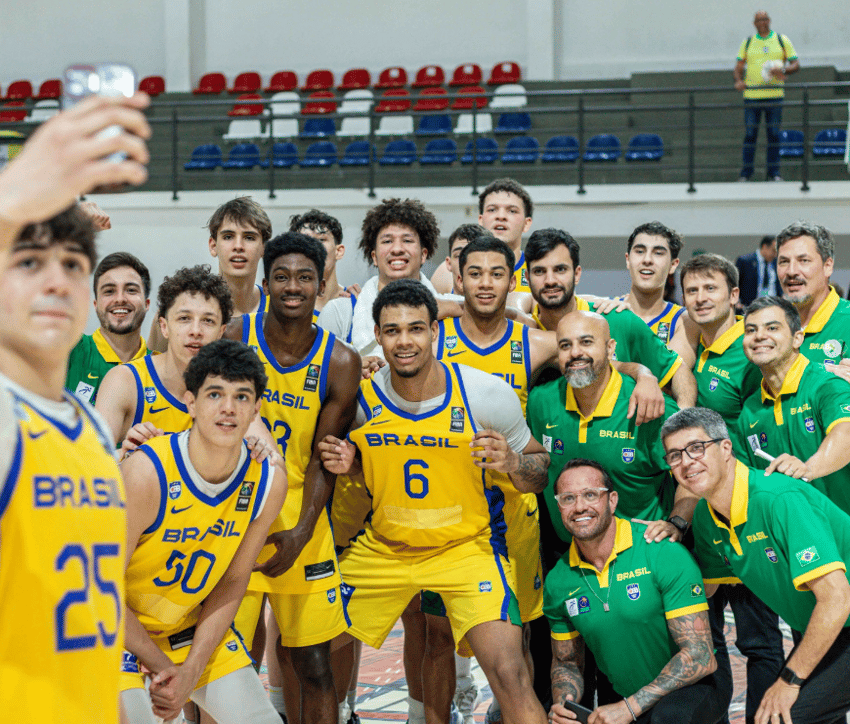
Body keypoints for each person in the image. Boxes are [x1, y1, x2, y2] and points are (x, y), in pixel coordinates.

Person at [320, 279, 551, 724]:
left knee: (509, 672)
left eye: (416, 329)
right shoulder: (362, 397)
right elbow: (359, 462)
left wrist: (512, 461)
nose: (404, 341)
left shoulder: (485, 393)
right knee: (306, 651)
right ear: (377, 335)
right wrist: (351, 463)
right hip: (386, 548)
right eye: (392, 331)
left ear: (434, 333)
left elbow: (538, 475)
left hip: (467, 551)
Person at [0, 90, 152, 722]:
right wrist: (13, 197)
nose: (57, 279)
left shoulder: (89, 423)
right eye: (29, 262)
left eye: (70, 261)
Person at [224, 232, 361, 724]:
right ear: (265, 282)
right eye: (281, 276)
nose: (293, 286)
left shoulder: (341, 361)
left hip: (303, 518)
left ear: (321, 283)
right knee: (225, 663)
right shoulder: (236, 335)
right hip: (232, 519)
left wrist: (303, 532)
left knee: (314, 664)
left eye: (305, 276)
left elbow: (324, 458)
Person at [119, 340, 287, 724]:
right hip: (117, 636)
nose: (229, 408)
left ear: (257, 408)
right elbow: (101, 588)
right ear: (190, 403)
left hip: (188, 630)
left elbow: (233, 580)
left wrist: (191, 669)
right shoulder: (146, 474)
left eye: (242, 396)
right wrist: (165, 669)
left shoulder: (268, 480)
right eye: (215, 394)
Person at [661, 406, 850, 724]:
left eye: (696, 448)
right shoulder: (707, 516)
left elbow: (837, 598)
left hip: (839, 617)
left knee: (779, 716)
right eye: (675, 455)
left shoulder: (778, 499)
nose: (686, 462)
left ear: (725, 448)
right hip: (821, 627)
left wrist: (789, 681)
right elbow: (706, 589)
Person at [679, 255, 785, 724]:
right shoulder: (695, 348)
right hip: (702, 513)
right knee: (706, 637)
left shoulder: (747, 351)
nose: (700, 298)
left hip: (744, 512)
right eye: (692, 290)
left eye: (711, 289)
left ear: (734, 296)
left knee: (758, 637)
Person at [544, 458, 727, 724]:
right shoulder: (558, 581)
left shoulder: (660, 550)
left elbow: (700, 656)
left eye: (590, 495)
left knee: (666, 718)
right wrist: (564, 705)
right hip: (625, 694)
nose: (580, 506)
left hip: (697, 684)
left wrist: (629, 708)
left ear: (613, 500)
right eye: (568, 498)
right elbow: (567, 662)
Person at [525, 228, 697, 406]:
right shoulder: (520, 330)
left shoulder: (615, 318)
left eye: (560, 269)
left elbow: (679, 371)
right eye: (539, 271)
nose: (550, 280)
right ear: (527, 278)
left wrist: (683, 424)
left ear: (577, 274)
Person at [96, 264, 232, 452]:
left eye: (208, 321)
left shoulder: (231, 386)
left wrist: (259, 449)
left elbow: (273, 465)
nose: (195, 331)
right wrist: (125, 457)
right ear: (164, 326)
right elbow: (88, 466)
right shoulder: (125, 381)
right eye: (184, 318)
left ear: (221, 332)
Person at [738, 296, 850, 514]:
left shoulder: (826, 385)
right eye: (751, 330)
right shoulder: (749, 411)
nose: (759, 336)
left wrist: (807, 469)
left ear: (797, 338)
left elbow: (846, 433)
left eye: (772, 328)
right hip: (792, 540)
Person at [318, 197, 446, 356]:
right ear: (374, 257)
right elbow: (319, 374)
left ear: (423, 255)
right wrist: (353, 369)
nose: (397, 249)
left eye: (407, 240)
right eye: (387, 241)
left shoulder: (451, 311)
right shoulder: (340, 312)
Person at [148, 197, 272, 353]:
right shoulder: (173, 312)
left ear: (264, 248)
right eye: (228, 237)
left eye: (249, 237)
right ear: (213, 246)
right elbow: (153, 373)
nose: (238, 246)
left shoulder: (279, 312)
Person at [66, 251, 152, 403]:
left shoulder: (162, 368)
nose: (120, 299)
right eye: (109, 291)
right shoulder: (68, 350)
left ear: (146, 304)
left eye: (131, 290)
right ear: (96, 304)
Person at [430, 178, 533, 298]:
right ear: (481, 220)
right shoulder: (448, 270)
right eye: (492, 209)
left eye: (512, 211)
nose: (501, 216)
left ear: (526, 224)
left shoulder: (536, 270)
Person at [774, 221, 850, 373]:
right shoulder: (767, 326)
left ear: (827, 266)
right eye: (784, 261)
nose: (791, 271)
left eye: (804, 260)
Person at [735, 10, 799, 182]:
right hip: (752, 96)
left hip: (774, 95)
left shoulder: (781, 40)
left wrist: (783, 70)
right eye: (758, 20)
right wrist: (738, 80)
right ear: (754, 23)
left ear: (769, 20)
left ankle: (774, 173)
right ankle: (746, 174)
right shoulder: (748, 42)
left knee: (774, 134)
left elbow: (795, 64)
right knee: (750, 134)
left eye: (764, 19)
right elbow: (739, 65)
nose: (762, 22)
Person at [621, 221, 688, 350]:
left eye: (658, 253)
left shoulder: (684, 321)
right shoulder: (604, 312)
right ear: (628, 260)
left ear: (673, 265)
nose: (647, 260)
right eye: (640, 251)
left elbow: (670, 370)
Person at [289, 208, 359, 320]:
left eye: (321, 240)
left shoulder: (358, 304)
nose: (312, 247)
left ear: (339, 251)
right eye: (304, 240)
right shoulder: (281, 307)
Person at [735, 236, 781, 307]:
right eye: (773, 251)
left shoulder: (776, 262)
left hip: (773, 305)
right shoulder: (745, 261)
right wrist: (737, 302)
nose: (775, 255)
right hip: (750, 306)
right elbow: (735, 283)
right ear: (765, 247)